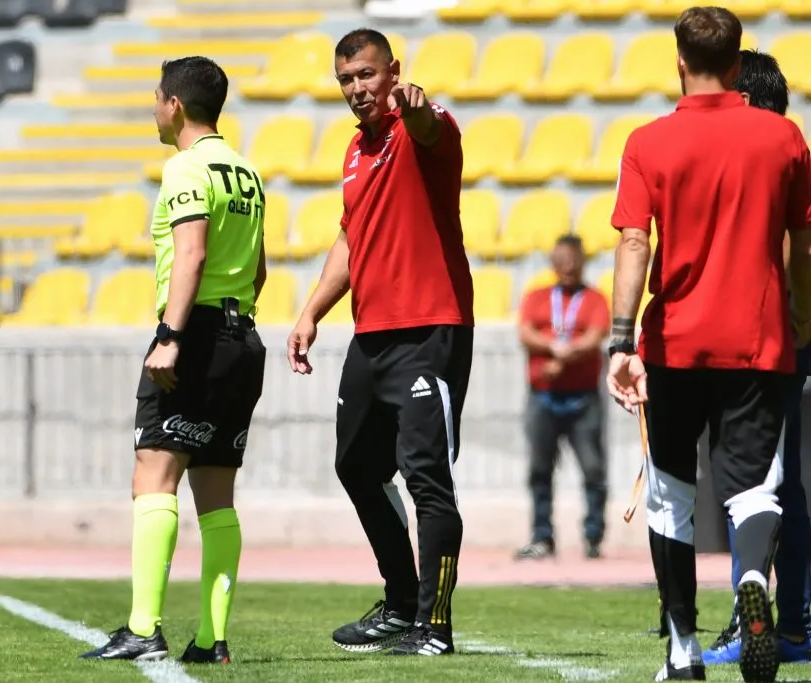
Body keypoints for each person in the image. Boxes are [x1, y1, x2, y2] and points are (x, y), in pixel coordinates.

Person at [606, 7, 811, 682]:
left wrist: (618, 338)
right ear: (736, 61)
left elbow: (635, 241)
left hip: (676, 341)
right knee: (753, 488)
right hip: (760, 337)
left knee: (670, 492)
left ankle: (683, 649)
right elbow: (802, 242)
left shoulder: (649, 141)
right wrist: (802, 316)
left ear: (679, 62)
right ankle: (753, 575)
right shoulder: (783, 139)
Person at [286, 28, 474, 657]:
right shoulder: (354, 152)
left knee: (426, 479)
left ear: (392, 71)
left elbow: (428, 127)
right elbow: (351, 237)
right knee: (357, 467)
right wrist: (312, 309)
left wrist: (414, 107)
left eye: (367, 75)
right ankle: (399, 603)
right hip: (372, 335)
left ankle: (435, 625)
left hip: (431, 330)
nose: (357, 89)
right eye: (346, 79)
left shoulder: (424, 122)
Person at [80, 56, 267, 665]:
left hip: (197, 335)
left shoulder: (186, 167)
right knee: (216, 492)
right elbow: (258, 269)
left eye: (156, 98)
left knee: (154, 474)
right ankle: (212, 641)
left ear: (175, 105)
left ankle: (142, 627)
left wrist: (170, 334)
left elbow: (190, 254)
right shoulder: (246, 172)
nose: (153, 108)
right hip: (243, 340)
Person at [702, 48, 811, 667]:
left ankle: (765, 623)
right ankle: (790, 621)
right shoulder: (787, 149)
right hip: (782, 331)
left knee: (755, 485)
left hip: (761, 337)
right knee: (781, 486)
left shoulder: (767, 153)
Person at [515, 234, 610, 562]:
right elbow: (525, 331)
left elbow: (596, 335)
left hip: (584, 399)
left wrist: (564, 357)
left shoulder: (595, 299)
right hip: (543, 395)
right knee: (540, 470)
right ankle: (542, 536)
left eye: (572, 260)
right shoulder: (537, 296)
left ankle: (594, 536)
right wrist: (553, 348)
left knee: (593, 470)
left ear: (582, 261)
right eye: (561, 260)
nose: (567, 267)